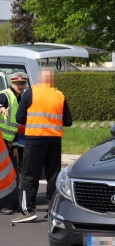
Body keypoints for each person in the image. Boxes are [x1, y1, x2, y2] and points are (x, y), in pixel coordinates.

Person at [12, 68, 72, 223]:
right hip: (54, 141)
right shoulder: (60, 95)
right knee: (53, 176)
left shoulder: (30, 93)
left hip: (34, 140)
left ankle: (28, 211)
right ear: (52, 80)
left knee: (29, 175)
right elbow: (68, 121)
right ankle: (52, 209)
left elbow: (19, 118)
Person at [0, 71, 28, 214]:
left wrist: (15, 146)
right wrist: (1, 107)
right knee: (6, 175)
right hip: (1, 141)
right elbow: (0, 101)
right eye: (18, 83)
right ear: (12, 83)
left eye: (22, 83)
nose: (20, 86)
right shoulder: (6, 94)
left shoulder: (20, 98)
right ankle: (5, 204)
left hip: (9, 142)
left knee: (12, 174)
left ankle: (11, 204)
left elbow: (14, 126)